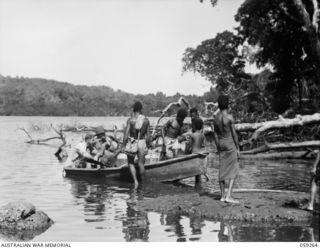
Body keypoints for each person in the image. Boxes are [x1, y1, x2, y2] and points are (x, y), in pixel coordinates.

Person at [213, 94, 240, 204]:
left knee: (222, 168)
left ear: (218, 105)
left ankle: (222, 196)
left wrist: (217, 146)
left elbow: (215, 134)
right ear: (227, 104)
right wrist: (238, 148)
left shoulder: (216, 118)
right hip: (229, 144)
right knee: (234, 169)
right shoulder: (229, 117)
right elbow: (234, 135)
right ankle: (229, 196)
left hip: (221, 144)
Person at [123, 101, 151, 187]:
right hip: (142, 142)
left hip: (132, 141)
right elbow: (148, 136)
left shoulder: (130, 120)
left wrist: (123, 145)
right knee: (141, 164)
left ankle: (135, 182)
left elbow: (126, 134)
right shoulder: (146, 120)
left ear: (133, 109)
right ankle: (142, 182)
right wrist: (148, 145)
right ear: (141, 109)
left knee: (131, 163)